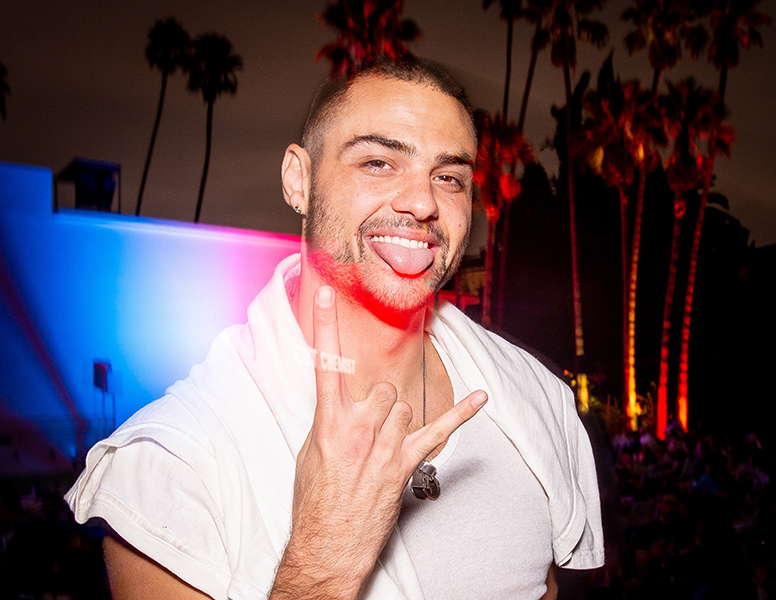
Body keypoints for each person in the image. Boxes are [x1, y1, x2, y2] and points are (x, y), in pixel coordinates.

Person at [66, 57, 603, 600]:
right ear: (298, 179)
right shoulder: (169, 468)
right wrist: (325, 559)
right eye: (378, 162)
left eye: (448, 177)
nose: (422, 202)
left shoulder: (534, 401)